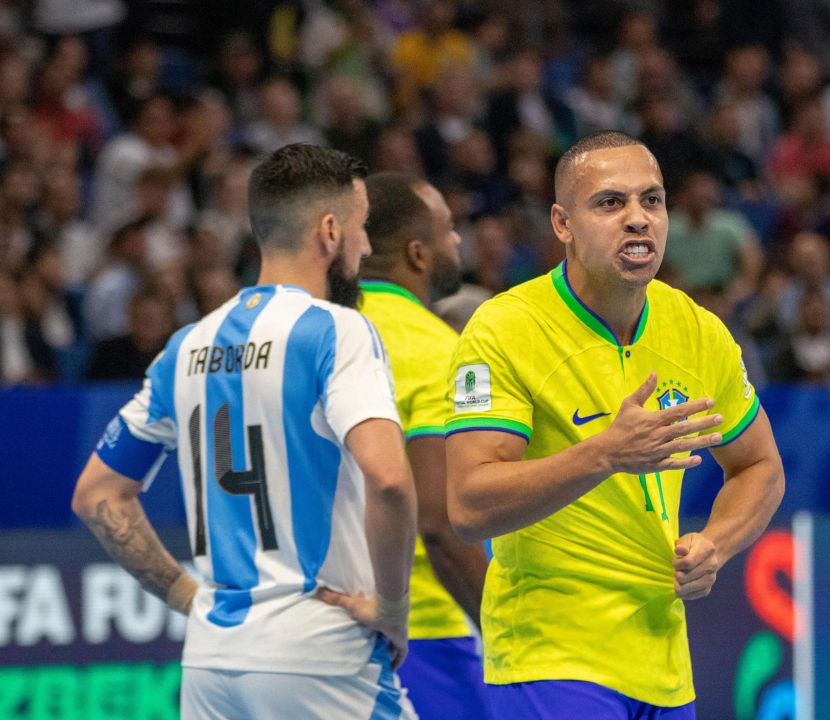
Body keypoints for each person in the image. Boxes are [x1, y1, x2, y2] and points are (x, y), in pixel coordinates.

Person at [69, 144, 419, 718]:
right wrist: (393, 608)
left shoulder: (186, 346)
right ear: (329, 231)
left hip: (211, 663)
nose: (367, 246)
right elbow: (388, 479)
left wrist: (185, 595)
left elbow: (98, 493)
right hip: (320, 654)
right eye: (361, 229)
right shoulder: (337, 330)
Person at [444, 131, 785, 718]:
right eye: (610, 203)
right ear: (562, 223)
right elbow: (471, 505)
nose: (638, 219)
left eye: (652, 201)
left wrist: (715, 544)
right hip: (551, 656)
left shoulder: (698, 331)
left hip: (665, 666)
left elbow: (760, 466)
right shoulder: (504, 329)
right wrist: (605, 453)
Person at [355, 172, 493, 720]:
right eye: (449, 230)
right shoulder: (442, 350)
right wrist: (503, 629)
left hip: (317, 626)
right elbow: (440, 524)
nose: (457, 242)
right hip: (422, 629)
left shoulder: (317, 330)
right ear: (418, 253)